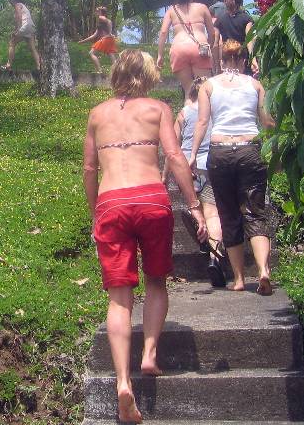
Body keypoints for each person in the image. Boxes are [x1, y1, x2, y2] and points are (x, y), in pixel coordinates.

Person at [84, 50, 206, 424]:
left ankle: (123, 382)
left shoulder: (96, 114)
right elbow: (175, 156)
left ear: (117, 73)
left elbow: (89, 168)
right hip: (151, 199)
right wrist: (194, 203)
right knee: (156, 280)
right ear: (149, 75)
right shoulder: (157, 108)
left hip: (112, 203)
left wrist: (95, 213)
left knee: (119, 298)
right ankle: (149, 353)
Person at [189, 39, 276, 295]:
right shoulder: (255, 85)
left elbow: (203, 122)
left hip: (221, 153)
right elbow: (268, 122)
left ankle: (238, 279)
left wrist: (193, 154)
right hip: (250, 149)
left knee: (228, 214)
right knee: (255, 212)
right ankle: (263, 270)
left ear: (222, 60)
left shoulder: (209, 86)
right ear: (243, 60)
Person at [162, 76, 226, 287]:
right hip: (212, 165)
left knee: (194, 208)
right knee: (213, 212)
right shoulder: (216, 112)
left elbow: (172, 148)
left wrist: (164, 176)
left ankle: (200, 230)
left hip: (188, 170)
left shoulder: (183, 114)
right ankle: (215, 257)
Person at [156, 0, 220, 96]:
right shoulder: (202, 7)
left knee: (188, 92)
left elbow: (163, 32)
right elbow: (212, 33)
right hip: (200, 49)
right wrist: (208, 45)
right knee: (203, 91)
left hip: (179, 49)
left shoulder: (172, 10)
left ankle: (188, 109)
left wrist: (160, 55)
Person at [214, 0, 257, 76]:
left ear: (226, 2)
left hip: (227, 58)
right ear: (240, 2)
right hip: (242, 58)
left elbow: (216, 44)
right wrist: (253, 59)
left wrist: (218, 64)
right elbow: (249, 40)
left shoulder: (219, 20)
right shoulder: (246, 18)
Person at [0, 0, 41, 71]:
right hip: (31, 27)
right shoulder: (22, 5)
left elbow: (19, 17)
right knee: (32, 48)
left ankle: (8, 65)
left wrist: (18, 29)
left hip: (25, 26)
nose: (9, 0)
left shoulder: (17, 5)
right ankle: (39, 67)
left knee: (12, 43)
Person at [78, 6, 118, 73]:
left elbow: (109, 21)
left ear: (100, 12)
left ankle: (99, 71)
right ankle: (118, 71)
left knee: (91, 53)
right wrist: (82, 41)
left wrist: (110, 32)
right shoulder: (100, 24)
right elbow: (94, 36)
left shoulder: (100, 17)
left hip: (106, 39)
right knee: (111, 55)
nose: (95, 12)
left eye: (96, 11)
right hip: (110, 39)